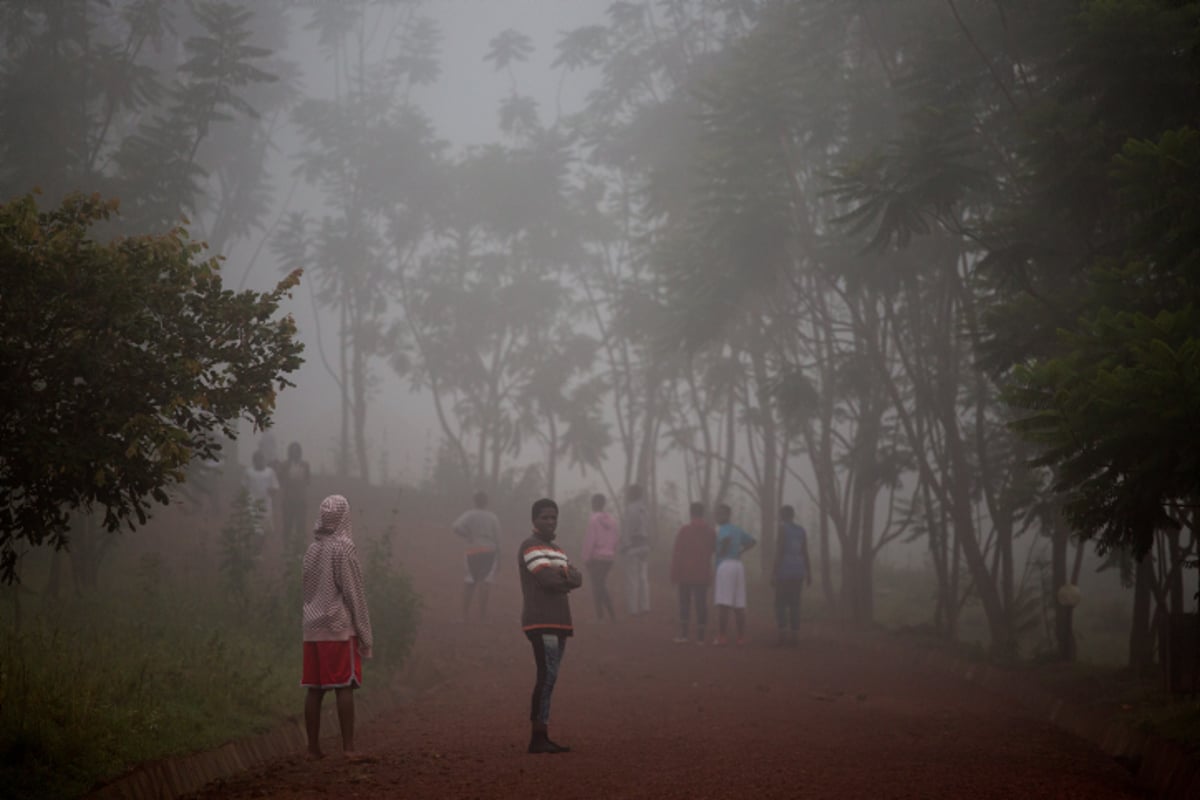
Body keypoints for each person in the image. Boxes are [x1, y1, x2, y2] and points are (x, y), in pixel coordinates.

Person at [301, 495, 373, 762]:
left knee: (315, 688)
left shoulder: (312, 550)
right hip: (338, 627)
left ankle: (312, 748)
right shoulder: (344, 549)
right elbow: (354, 593)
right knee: (345, 685)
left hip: (312, 627)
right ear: (345, 517)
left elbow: (307, 591)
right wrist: (365, 633)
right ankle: (349, 747)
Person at [518, 498, 583, 754]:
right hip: (540, 620)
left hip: (559, 621)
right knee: (547, 676)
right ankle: (538, 736)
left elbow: (578, 578)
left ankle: (541, 734)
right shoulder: (529, 546)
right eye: (545, 517)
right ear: (534, 520)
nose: (549, 521)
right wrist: (564, 576)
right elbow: (548, 580)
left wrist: (564, 577)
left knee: (550, 676)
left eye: (553, 517)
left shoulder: (557, 549)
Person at [670, 501, 716, 644]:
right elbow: (714, 549)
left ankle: (684, 635)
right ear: (703, 513)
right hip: (702, 572)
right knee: (701, 603)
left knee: (684, 603)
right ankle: (701, 638)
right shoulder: (710, 531)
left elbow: (677, 552)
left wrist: (674, 573)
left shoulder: (684, 530)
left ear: (691, 513)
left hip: (685, 572)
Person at [452, 490, 502, 620]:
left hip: (472, 551)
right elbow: (498, 538)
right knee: (485, 582)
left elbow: (456, 527)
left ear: (474, 501)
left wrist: (468, 535)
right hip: (489, 551)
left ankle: (464, 614)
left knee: (470, 581)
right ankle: (482, 615)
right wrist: (500, 556)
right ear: (487, 502)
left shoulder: (469, 515)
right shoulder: (492, 517)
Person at [712, 503, 756, 646]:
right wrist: (740, 552)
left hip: (725, 566)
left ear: (727, 515)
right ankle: (741, 638)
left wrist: (722, 551)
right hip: (738, 565)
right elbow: (752, 541)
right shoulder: (737, 529)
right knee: (739, 604)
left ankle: (722, 637)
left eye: (720, 513)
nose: (717, 516)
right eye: (717, 513)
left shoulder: (722, 529)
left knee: (723, 604)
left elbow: (726, 540)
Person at [773, 505, 812, 646]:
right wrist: (809, 572)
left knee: (780, 603)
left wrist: (774, 572)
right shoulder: (801, 531)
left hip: (785, 571)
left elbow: (780, 551)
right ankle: (795, 635)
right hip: (798, 571)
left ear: (783, 515)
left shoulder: (782, 529)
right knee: (795, 604)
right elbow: (805, 552)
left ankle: (782, 634)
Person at [581, 493, 618, 622]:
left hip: (596, 558)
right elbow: (615, 540)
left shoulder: (593, 520)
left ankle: (605, 615)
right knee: (599, 585)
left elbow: (590, 540)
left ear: (594, 504)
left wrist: (586, 558)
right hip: (609, 559)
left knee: (598, 586)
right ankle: (604, 615)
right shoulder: (613, 521)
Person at [619, 484, 651, 617]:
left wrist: (625, 545)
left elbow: (628, 528)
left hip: (633, 546)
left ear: (632, 494)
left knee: (632, 578)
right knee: (643, 577)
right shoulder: (644, 509)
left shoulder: (631, 509)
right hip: (644, 545)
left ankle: (633, 609)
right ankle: (645, 606)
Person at [278, 442, 312, 555]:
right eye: (293, 451)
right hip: (288, 500)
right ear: (290, 452)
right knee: (287, 526)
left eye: (297, 451)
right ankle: (286, 549)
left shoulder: (305, 465)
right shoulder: (285, 465)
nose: (295, 453)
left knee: (300, 527)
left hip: (301, 501)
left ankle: (299, 551)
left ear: (300, 452)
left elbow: (308, 481)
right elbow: (280, 479)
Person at [243, 450, 280, 544]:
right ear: (254, 461)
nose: (259, 462)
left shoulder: (270, 472)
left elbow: (275, 486)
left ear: (264, 460)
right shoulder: (249, 472)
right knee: (255, 526)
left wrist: (272, 491)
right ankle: (256, 548)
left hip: (266, 504)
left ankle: (260, 545)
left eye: (261, 459)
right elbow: (244, 487)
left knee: (264, 526)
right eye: (257, 460)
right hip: (252, 502)